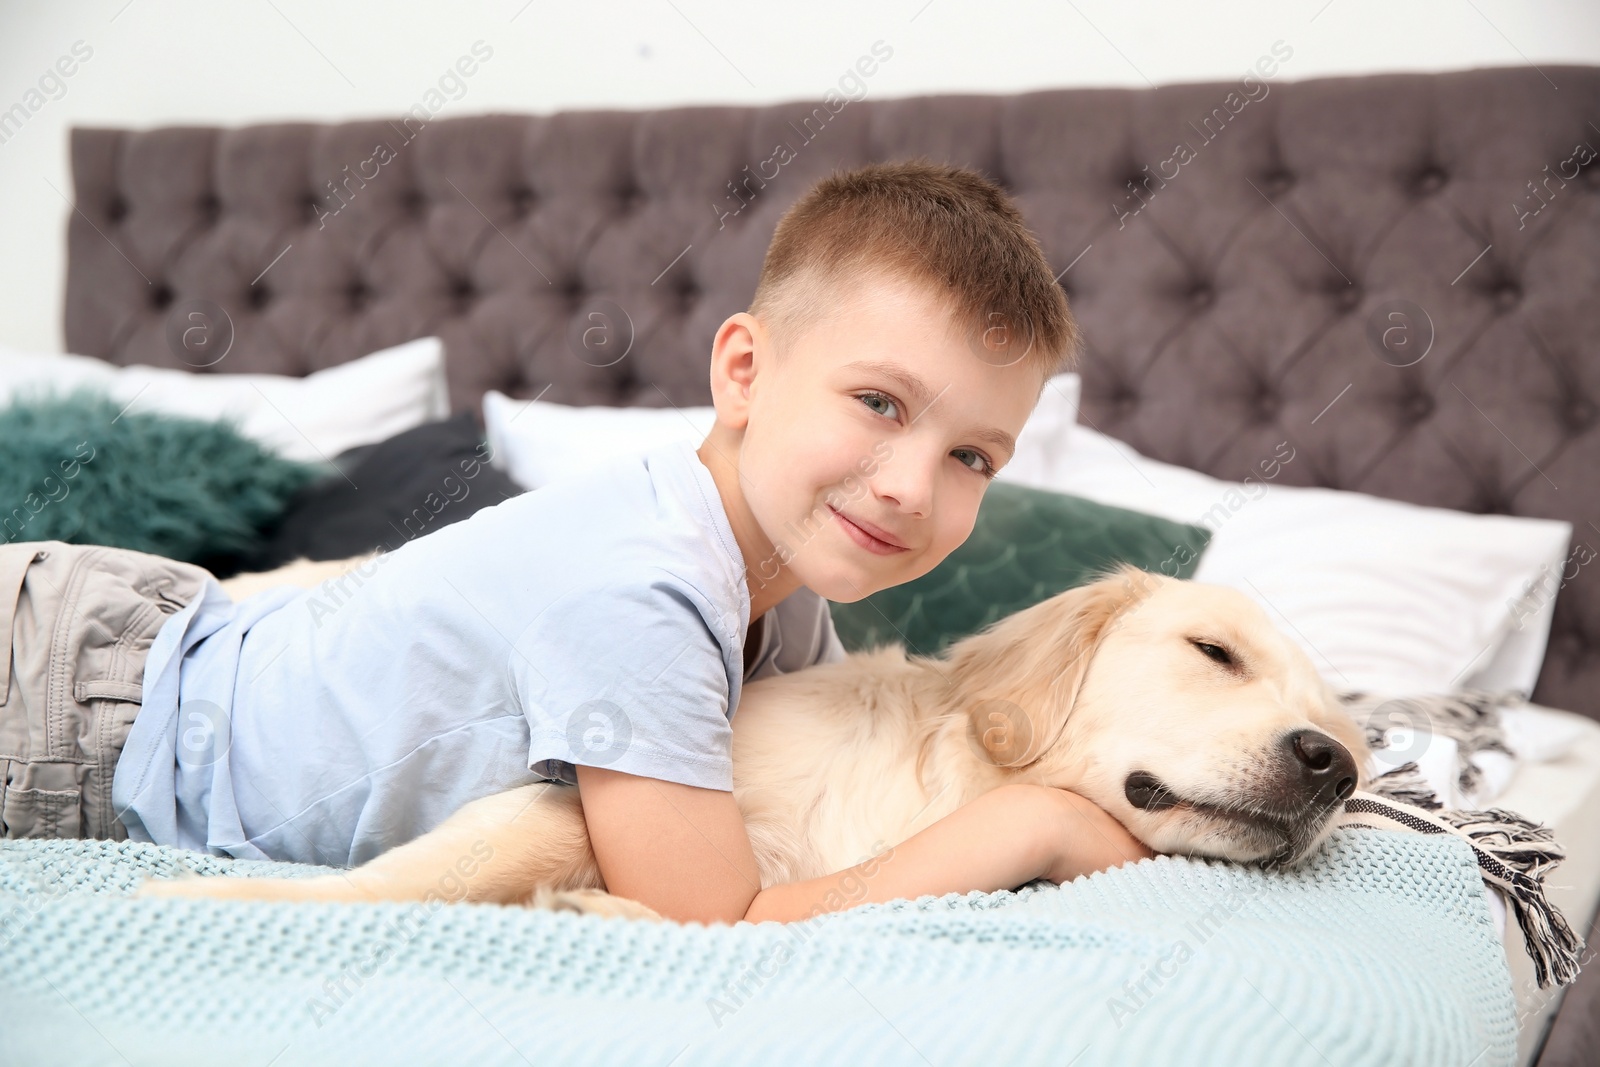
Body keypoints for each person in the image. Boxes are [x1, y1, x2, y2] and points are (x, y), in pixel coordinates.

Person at [0, 159, 1151, 923]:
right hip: (76, 706)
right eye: (881, 404)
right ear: (743, 370)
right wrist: (1034, 823)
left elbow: (811, 815)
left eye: (972, 458)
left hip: (153, 648)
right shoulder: (640, 590)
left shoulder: (786, 588)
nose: (909, 486)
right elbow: (717, 921)